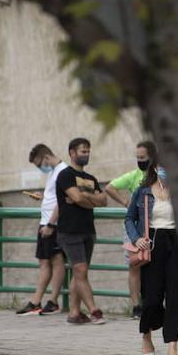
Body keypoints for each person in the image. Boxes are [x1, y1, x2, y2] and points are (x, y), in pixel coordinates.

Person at [125, 151, 178, 355]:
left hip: (177, 242)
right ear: (154, 167)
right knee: (152, 296)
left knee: (175, 295)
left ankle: (172, 345)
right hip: (153, 243)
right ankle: (146, 336)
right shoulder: (143, 192)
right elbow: (129, 218)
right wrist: (136, 239)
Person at [56, 137, 109, 325]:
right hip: (69, 230)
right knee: (80, 268)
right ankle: (94, 311)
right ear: (72, 153)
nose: (86, 155)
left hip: (88, 230)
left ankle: (74, 313)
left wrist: (84, 196)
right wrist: (88, 198)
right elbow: (76, 198)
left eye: (88, 151)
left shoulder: (90, 178)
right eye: (82, 151)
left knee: (80, 273)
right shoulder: (65, 175)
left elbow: (103, 200)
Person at [15, 144, 67, 316]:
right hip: (46, 222)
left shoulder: (61, 171)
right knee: (45, 261)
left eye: (38, 164)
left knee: (55, 260)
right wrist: (43, 197)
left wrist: (51, 225)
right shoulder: (54, 171)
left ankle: (46, 301)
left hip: (52, 224)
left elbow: (62, 200)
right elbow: (55, 197)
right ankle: (40, 301)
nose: (39, 168)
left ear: (46, 157)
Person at [106, 140, 155, 318]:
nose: (140, 160)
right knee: (135, 265)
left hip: (155, 227)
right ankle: (136, 306)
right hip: (135, 227)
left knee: (154, 267)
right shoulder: (135, 176)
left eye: (143, 157)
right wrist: (126, 203)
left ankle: (152, 302)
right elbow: (109, 187)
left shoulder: (161, 175)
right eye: (138, 157)